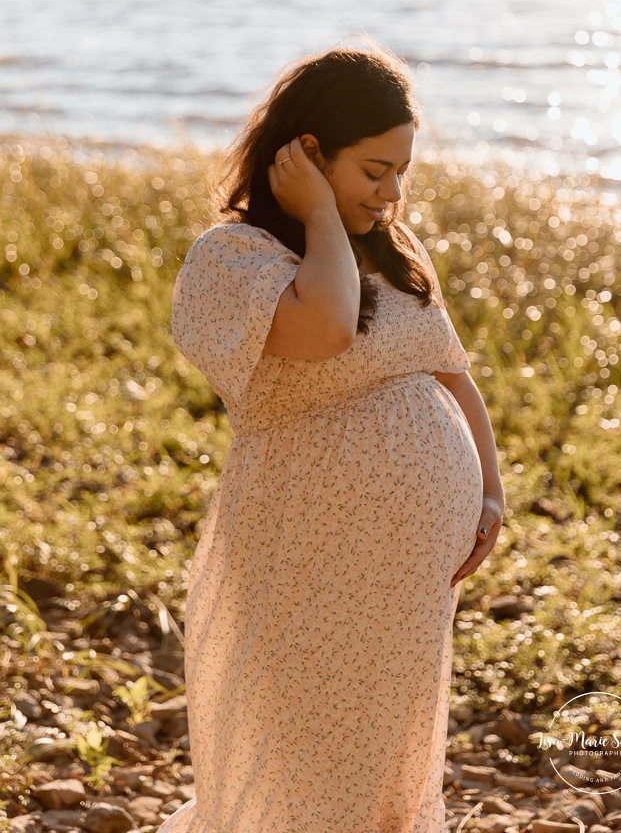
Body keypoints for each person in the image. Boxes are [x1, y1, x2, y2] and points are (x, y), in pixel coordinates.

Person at [160, 42, 505, 833]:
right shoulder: (234, 257)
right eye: (373, 170)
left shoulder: (394, 250)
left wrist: (486, 488)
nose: (391, 193)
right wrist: (319, 212)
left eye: (402, 171)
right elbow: (323, 330)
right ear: (308, 152)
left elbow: (450, 371)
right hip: (304, 546)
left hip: (406, 571)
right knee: (299, 739)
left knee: (387, 739)